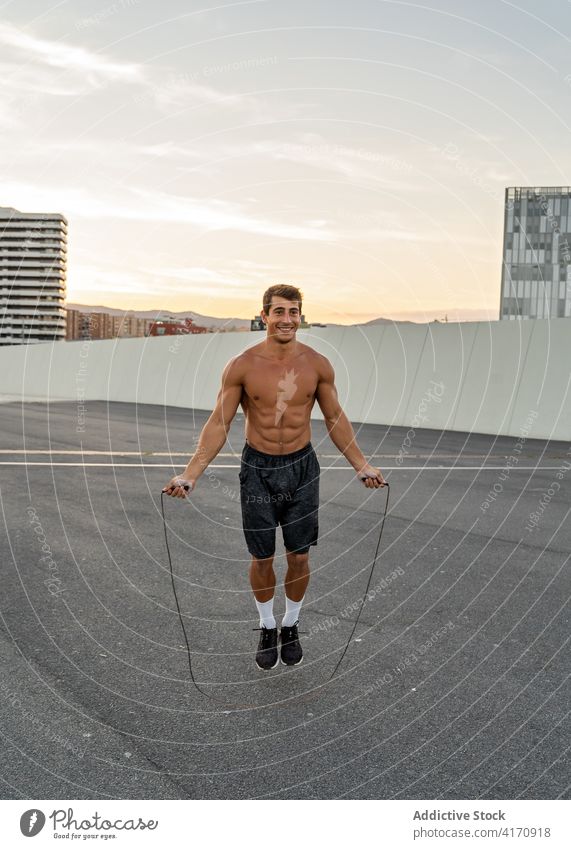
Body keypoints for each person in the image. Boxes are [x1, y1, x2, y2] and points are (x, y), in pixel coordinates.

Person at [163, 284, 386, 671]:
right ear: (264, 315)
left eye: (294, 312)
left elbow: (335, 418)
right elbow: (220, 422)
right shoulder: (242, 365)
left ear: (301, 316)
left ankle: (291, 623)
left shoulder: (317, 364)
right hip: (258, 470)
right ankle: (267, 625)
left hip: (302, 469)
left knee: (299, 556)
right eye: (279, 312)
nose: (287, 319)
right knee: (262, 556)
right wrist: (191, 474)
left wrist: (361, 464)